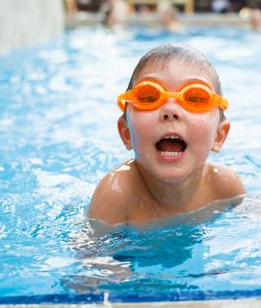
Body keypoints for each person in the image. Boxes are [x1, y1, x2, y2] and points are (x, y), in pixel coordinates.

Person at [88, 45, 246, 225]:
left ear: (219, 136)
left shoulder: (223, 185)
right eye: (149, 97)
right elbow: (88, 251)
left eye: (195, 98)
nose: (170, 110)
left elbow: (260, 215)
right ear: (126, 133)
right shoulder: (116, 193)